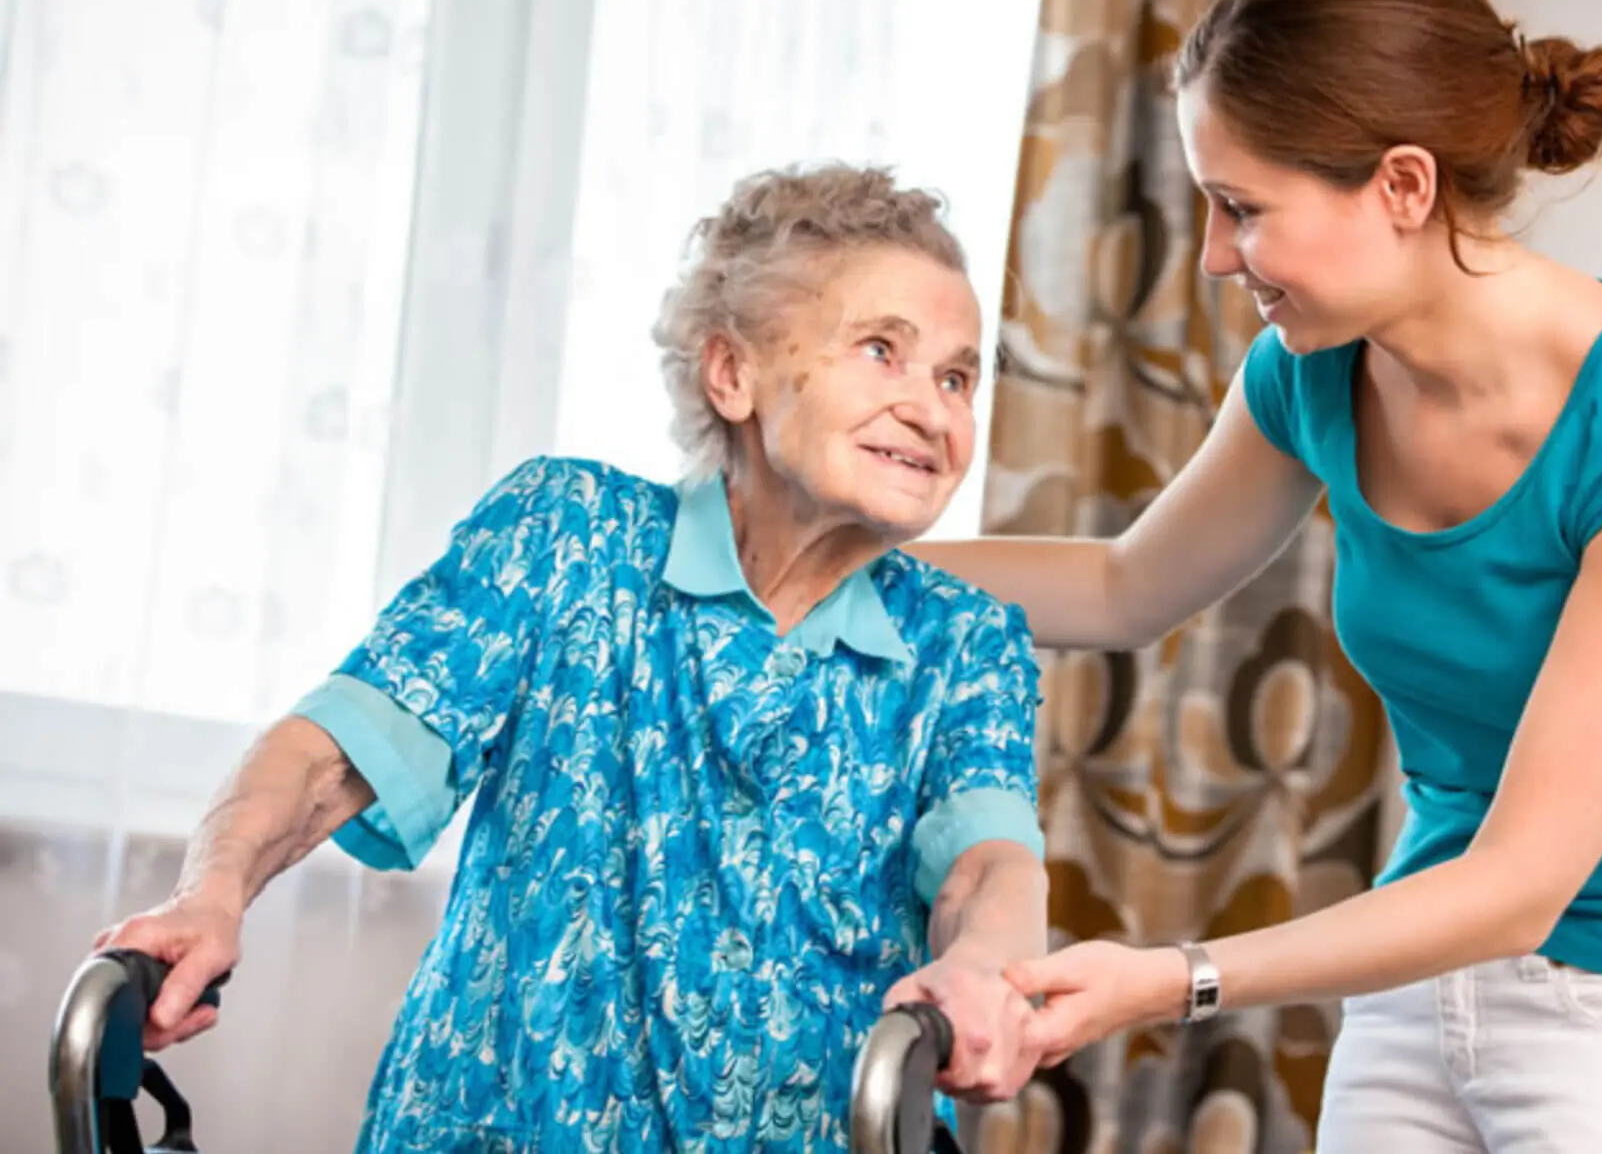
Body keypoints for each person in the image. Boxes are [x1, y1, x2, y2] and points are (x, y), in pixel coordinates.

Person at [907, 0, 1602, 1150]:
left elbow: (1525, 880)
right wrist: (828, 549)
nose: (1212, 257)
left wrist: (1172, 978)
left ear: (1402, 186)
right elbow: (1125, 585)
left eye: (1242, 208)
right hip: (1429, 965)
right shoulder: (1311, 373)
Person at [93, 164, 1051, 1153]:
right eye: (881, 350)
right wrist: (211, 893)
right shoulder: (569, 537)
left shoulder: (967, 645)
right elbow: (334, 752)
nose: (932, 410)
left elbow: (990, 866)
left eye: (955, 376)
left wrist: (983, 966)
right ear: (734, 374)